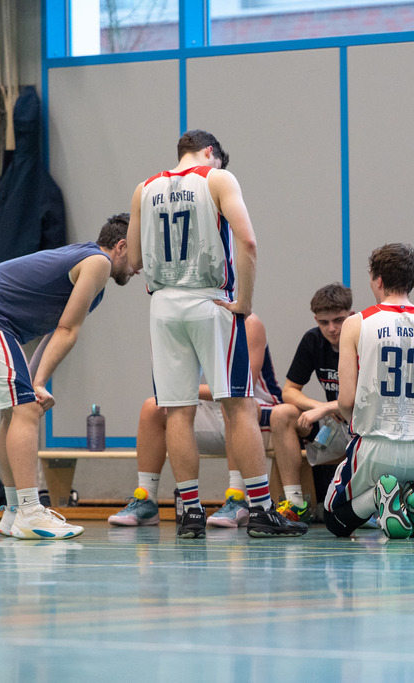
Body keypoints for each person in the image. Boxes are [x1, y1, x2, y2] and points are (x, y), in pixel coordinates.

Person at [126, 129, 306, 539]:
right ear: (210, 152)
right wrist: (243, 301)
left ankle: (189, 511)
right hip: (211, 300)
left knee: (176, 410)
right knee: (238, 406)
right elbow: (248, 241)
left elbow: (134, 259)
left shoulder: (144, 189)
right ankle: (260, 509)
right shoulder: (217, 178)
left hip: (163, 305)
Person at [0, 213, 137, 539]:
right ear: (121, 246)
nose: (140, 268)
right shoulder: (98, 263)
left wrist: (35, 381)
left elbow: (53, 332)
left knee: (16, 409)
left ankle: (12, 511)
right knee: (26, 409)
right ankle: (31, 513)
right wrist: (36, 386)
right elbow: (67, 330)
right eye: (140, 257)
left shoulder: (91, 271)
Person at [323, 243, 414, 539]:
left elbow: (347, 400)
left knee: (334, 519)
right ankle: (411, 497)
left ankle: (381, 496)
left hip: (377, 445)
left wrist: (350, 417)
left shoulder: (357, 323)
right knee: (403, 474)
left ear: (378, 280)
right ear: (412, 280)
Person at [107, 314, 284, 529]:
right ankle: (147, 498)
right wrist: (174, 392)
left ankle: (238, 500)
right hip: (208, 413)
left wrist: (179, 389)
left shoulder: (248, 323)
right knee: (151, 407)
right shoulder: (180, 321)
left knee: (233, 402)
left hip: (258, 415)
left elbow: (242, 386)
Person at [266, 283, 354, 524]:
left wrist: (328, 407)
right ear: (316, 320)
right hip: (333, 423)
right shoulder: (312, 340)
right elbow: (289, 391)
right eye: (324, 323)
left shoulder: (363, 339)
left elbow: (363, 397)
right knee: (282, 413)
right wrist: (318, 407)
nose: (332, 329)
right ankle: (295, 503)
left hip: (363, 423)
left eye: (338, 320)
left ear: (351, 314)